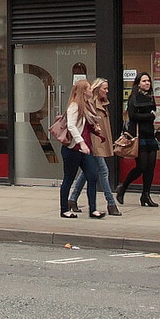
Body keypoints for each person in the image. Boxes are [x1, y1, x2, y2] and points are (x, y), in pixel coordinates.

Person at [115, 72, 160, 206]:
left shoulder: (150, 97)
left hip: (150, 134)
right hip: (138, 135)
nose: (147, 83)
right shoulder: (134, 97)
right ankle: (123, 187)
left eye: (148, 81)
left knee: (151, 167)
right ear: (138, 83)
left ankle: (146, 195)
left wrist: (150, 116)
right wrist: (149, 116)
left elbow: (154, 112)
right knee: (141, 166)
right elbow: (133, 116)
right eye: (144, 81)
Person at [58, 78, 98, 219]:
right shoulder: (74, 106)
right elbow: (71, 126)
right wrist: (81, 142)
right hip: (73, 149)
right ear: (83, 91)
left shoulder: (87, 105)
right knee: (69, 178)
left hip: (85, 149)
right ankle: (64, 209)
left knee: (93, 176)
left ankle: (93, 209)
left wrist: (95, 127)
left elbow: (87, 124)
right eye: (89, 88)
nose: (91, 90)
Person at [81, 79, 121, 218]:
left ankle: (72, 199)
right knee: (103, 170)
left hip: (100, 139)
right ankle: (111, 203)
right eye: (105, 88)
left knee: (86, 173)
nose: (107, 91)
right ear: (97, 89)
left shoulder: (103, 102)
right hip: (94, 141)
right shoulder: (91, 103)